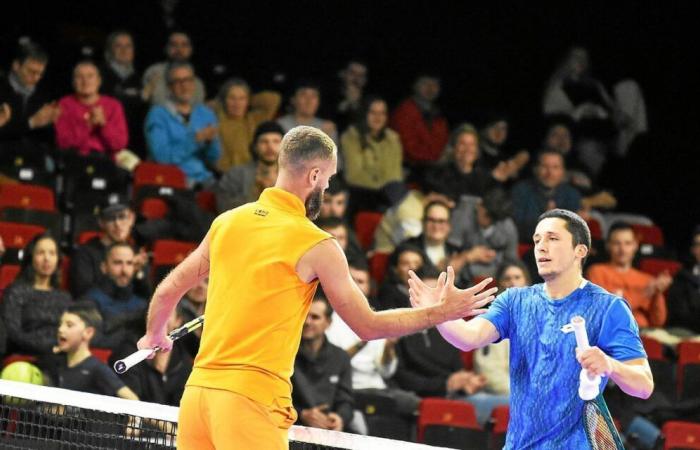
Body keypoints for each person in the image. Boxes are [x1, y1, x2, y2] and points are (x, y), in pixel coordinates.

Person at [137, 125, 496, 449]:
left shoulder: (227, 222)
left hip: (198, 396)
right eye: (328, 179)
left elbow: (170, 289)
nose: (327, 187)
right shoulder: (317, 244)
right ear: (314, 174)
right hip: (251, 400)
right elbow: (367, 326)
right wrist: (441, 313)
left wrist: (154, 334)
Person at [408, 208, 654, 448]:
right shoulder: (514, 300)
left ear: (580, 250)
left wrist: (610, 365)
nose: (541, 247)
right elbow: (468, 338)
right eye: (537, 240)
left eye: (553, 238)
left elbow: (643, 386)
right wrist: (437, 313)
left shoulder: (609, 308)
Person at [145, 61, 220, 188]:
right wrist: (195, 140)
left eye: (188, 80)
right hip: (170, 181)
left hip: (203, 179)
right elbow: (162, 157)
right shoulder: (158, 115)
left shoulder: (206, 114)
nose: (184, 86)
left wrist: (210, 143)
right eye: (178, 82)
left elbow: (213, 158)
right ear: (169, 87)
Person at [41, 302, 138, 399]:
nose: (60, 329)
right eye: (60, 324)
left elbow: (132, 399)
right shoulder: (55, 362)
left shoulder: (97, 368)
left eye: (69, 325)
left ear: (88, 333)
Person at [586, 222, 671, 329]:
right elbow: (604, 313)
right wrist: (645, 293)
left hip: (642, 334)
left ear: (635, 246)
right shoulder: (597, 272)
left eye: (628, 243)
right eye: (617, 243)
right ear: (608, 246)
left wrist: (658, 292)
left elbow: (658, 322)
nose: (622, 249)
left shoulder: (648, 280)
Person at [1, 234, 72, 356]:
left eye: (52, 253)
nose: (47, 258)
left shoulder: (65, 297)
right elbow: (13, 333)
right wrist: (49, 349)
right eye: (40, 253)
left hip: (59, 357)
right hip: (23, 355)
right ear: (31, 258)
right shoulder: (16, 291)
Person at [69, 194, 151, 299]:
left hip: (134, 313)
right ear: (101, 222)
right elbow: (83, 295)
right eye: (111, 218)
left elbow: (148, 298)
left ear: (132, 219)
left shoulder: (138, 254)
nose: (117, 224)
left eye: (122, 217)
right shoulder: (85, 253)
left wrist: (138, 273)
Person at [292, 295, 354, 432]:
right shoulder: (286, 352)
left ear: (328, 323)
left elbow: (346, 400)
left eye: (315, 317)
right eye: (305, 315)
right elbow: (272, 397)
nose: (307, 322)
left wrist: (339, 418)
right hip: (292, 427)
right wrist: (301, 414)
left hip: (329, 430)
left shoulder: (341, 357)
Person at [116, 304, 193, 406]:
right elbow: (129, 404)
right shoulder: (128, 353)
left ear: (178, 321)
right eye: (155, 314)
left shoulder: (184, 360)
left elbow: (182, 404)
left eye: (166, 314)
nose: (160, 320)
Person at [340, 95, 404, 217]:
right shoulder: (351, 137)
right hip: (362, 194)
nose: (378, 118)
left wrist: (386, 189)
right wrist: (381, 187)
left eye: (382, 113)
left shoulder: (393, 138)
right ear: (364, 113)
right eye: (373, 112)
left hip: (389, 195)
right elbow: (354, 175)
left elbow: (396, 175)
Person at [0, 41, 59, 166]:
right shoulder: (2, 90)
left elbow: (47, 139)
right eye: (32, 72)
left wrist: (52, 123)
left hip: (32, 161)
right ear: (16, 66)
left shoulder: (42, 96)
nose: (36, 78)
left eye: (40, 73)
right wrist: (31, 123)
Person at [80, 243, 148, 351]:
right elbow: (94, 341)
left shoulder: (142, 304)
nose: (124, 270)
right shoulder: (90, 300)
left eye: (129, 263)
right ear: (104, 267)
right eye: (118, 263)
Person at [55, 60, 129, 158]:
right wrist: (88, 125)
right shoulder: (64, 104)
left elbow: (119, 144)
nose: (85, 81)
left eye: (90, 76)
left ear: (99, 81)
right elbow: (62, 143)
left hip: (104, 162)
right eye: (79, 77)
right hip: (73, 159)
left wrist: (103, 125)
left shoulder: (114, 105)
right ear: (73, 82)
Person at [511, 149, 583, 241]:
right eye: (544, 166)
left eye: (555, 167)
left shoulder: (572, 194)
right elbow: (515, 228)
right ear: (535, 169)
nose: (549, 173)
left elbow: (575, 232)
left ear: (563, 172)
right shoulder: (520, 191)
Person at [448, 188, 519, 282]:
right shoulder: (462, 215)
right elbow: (447, 260)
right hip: (462, 274)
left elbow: (512, 262)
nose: (489, 221)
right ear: (479, 205)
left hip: (497, 275)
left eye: (494, 219)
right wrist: (469, 255)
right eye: (487, 215)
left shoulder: (506, 223)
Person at [212, 78, 281, 172]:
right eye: (232, 98)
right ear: (224, 100)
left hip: (258, 175)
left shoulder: (255, 119)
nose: (237, 103)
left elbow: (274, 99)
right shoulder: (217, 123)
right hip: (230, 177)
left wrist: (249, 100)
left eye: (242, 98)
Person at [213, 121, 284, 212]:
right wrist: (255, 195)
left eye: (276, 141)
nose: (270, 147)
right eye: (264, 141)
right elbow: (223, 207)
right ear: (255, 146)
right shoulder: (236, 174)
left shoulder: (294, 177)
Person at [99, 30, 148, 157]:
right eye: (118, 46)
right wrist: (138, 97)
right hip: (106, 143)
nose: (124, 50)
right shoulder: (99, 76)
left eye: (128, 46)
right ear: (110, 50)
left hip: (134, 144)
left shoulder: (140, 79)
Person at [142, 31, 206, 106]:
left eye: (184, 45)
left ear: (190, 49)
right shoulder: (154, 72)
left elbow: (197, 110)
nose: (179, 49)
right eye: (174, 45)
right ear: (166, 49)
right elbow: (153, 101)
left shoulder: (198, 82)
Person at [666, 226, 700, 334]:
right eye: (699, 245)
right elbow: (679, 315)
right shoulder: (682, 278)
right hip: (687, 332)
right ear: (693, 250)